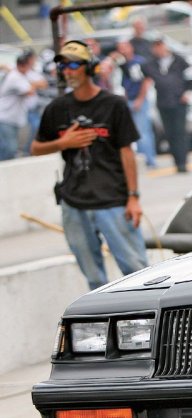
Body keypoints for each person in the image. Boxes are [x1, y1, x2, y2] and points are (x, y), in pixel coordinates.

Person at [30, 40, 147, 290]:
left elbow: (127, 152)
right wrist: (65, 142)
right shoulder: (57, 108)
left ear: (89, 68)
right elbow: (36, 148)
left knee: (137, 273)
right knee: (94, 280)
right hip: (75, 202)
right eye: (64, 66)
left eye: (74, 64)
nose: (68, 71)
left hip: (113, 200)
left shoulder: (113, 104)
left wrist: (133, 197)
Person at [144, 37, 192, 173]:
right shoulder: (152, 64)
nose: (159, 49)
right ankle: (176, 161)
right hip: (163, 102)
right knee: (170, 133)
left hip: (179, 100)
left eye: (161, 46)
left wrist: (188, 92)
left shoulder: (179, 61)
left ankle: (183, 162)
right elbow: (143, 74)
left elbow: (191, 77)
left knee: (180, 132)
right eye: (156, 47)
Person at [0, 50, 48, 161]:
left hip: (14, 117)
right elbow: (29, 91)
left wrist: (31, 82)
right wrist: (32, 83)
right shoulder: (15, 77)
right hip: (5, 117)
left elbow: (43, 84)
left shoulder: (21, 74)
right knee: (10, 148)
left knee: (9, 148)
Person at [116, 40, 157, 168]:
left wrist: (140, 99)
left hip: (139, 99)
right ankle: (142, 158)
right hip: (127, 100)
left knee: (143, 131)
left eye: (125, 47)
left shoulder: (138, 62)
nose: (123, 50)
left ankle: (150, 160)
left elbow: (146, 80)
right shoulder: (121, 64)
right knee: (133, 132)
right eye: (120, 48)